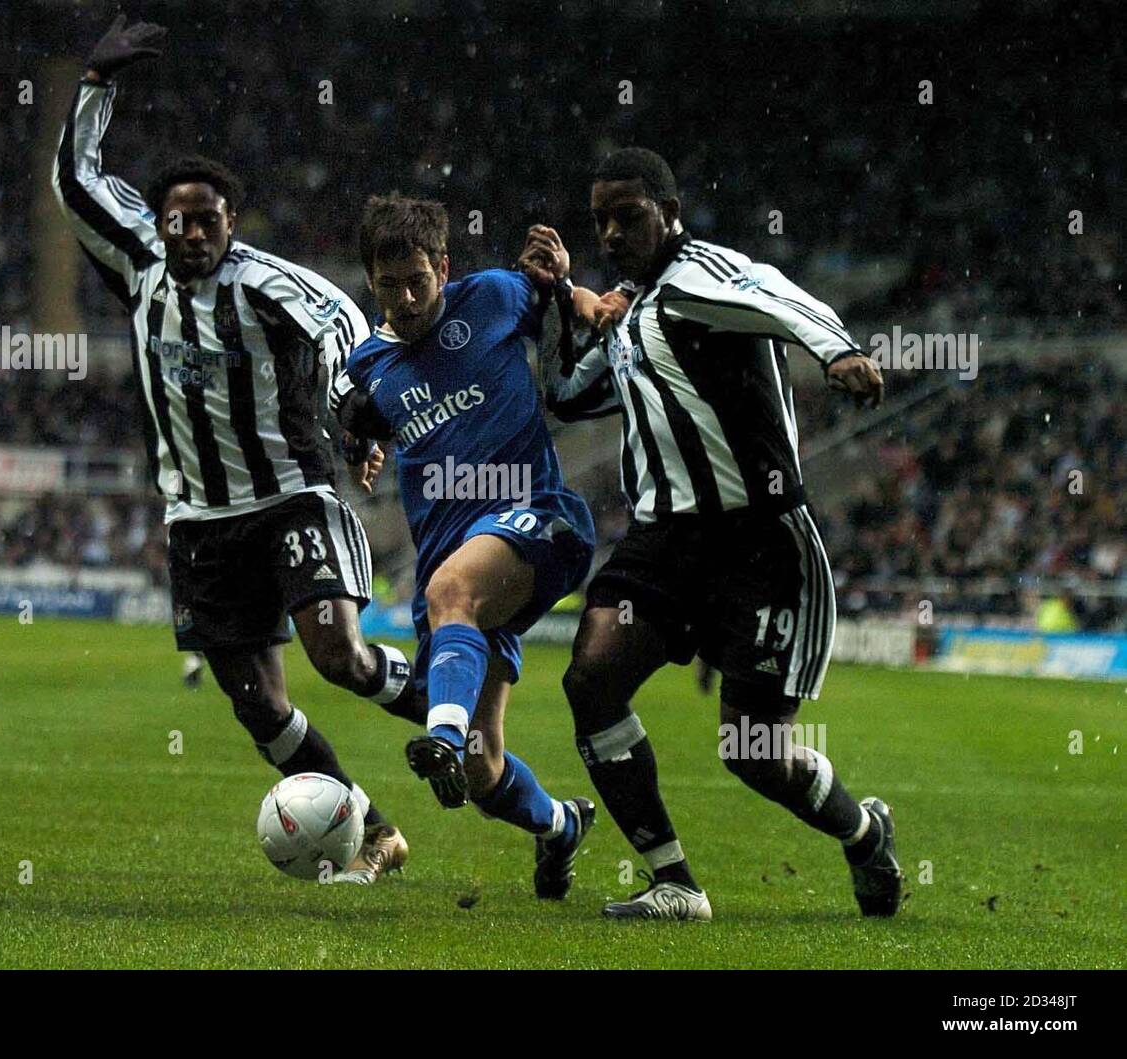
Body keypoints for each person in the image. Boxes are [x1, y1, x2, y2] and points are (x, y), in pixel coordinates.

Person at [52, 16, 421, 884]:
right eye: (177, 220)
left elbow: (343, 329)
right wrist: (96, 87)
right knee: (258, 705)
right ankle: (372, 827)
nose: (188, 234)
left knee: (341, 655)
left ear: (230, 223)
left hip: (291, 494)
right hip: (198, 520)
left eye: (205, 221)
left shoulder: (268, 285)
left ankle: (458, 712)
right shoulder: (140, 265)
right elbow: (76, 183)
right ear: (163, 222)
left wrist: (352, 414)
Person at [541, 147, 902, 920]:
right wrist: (557, 301)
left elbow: (776, 295)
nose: (611, 232)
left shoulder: (704, 274)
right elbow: (570, 396)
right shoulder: (631, 311)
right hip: (664, 541)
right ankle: (675, 880)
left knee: (753, 753)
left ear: (670, 212)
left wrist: (837, 349)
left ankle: (865, 831)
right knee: (590, 679)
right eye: (600, 219)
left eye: (628, 216)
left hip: (758, 544)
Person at [331, 194, 596, 899]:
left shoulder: (496, 294)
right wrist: (361, 445)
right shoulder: (368, 364)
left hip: (536, 516)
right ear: (370, 283)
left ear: (444, 265)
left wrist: (570, 286)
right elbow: (361, 420)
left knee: (452, 596)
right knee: (484, 771)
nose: (408, 298)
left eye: (419, 279)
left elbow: (571, 309)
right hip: (455, 561)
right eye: (390, 287)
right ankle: (561, 825)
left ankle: (439, 734)